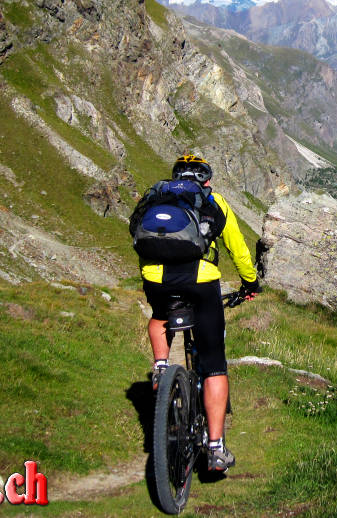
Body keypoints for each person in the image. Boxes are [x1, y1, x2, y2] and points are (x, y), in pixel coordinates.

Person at [130, 154, 261, 471]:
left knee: (160, 315)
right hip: (200, 281)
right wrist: (250, 282)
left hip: (156, 279)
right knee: (214, 362)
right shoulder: (212, 200)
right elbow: (238, 248)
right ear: (206, 181)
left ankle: (161, 366)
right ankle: (215, 447)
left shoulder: (156, 195)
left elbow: (137, 232)